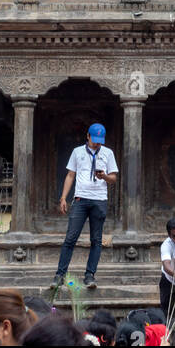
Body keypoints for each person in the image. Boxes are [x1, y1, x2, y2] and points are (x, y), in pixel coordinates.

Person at [52, 123, 118, 291]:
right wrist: (63, 197)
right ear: (87, 136)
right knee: (70, 238)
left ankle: (89, 275)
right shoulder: (77, 152)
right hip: (80, 199)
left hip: (99, 200)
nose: (97, 144)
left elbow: (113, 179)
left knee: (96, 240)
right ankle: (60, 275)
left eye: (99, 141)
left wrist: (104, 176)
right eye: (94, 140)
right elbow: (70, 175)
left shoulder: (108, 153)